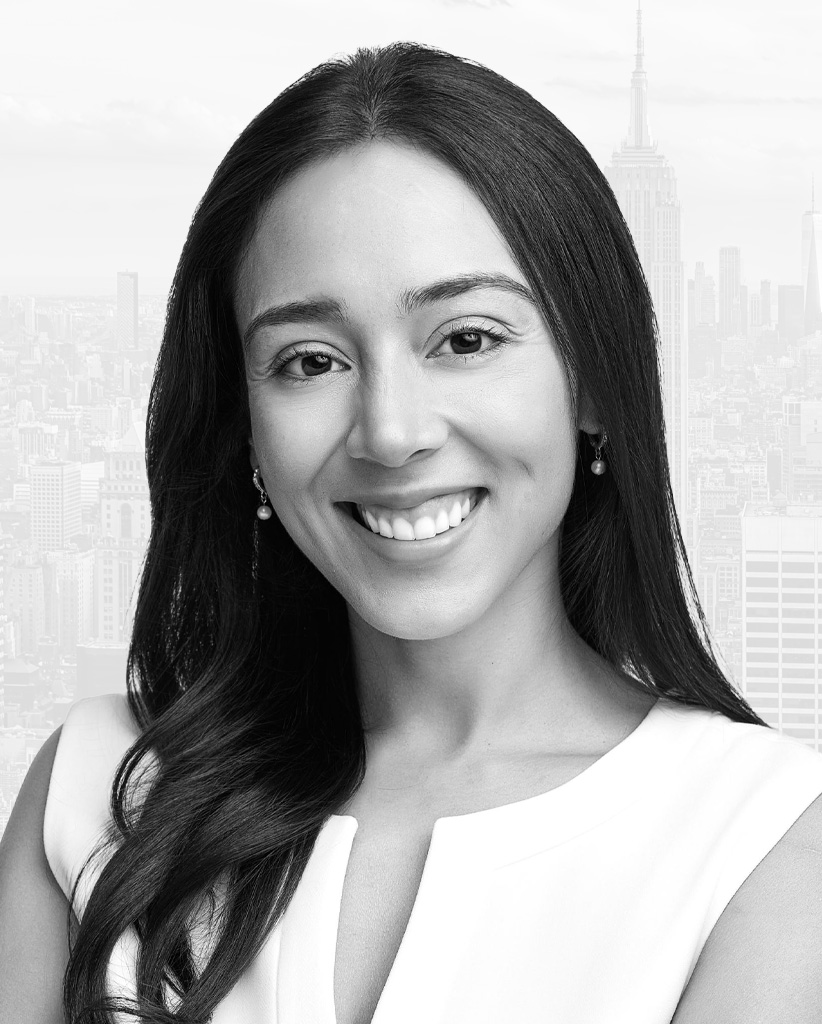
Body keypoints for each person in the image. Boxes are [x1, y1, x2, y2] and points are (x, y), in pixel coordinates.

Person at [1, 41, 821, 1024]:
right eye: (310, 361)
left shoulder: (763, 847)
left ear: (593, 383)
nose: (391, 432)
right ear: (243, 424)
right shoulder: (94, 794)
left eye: (466, 340)